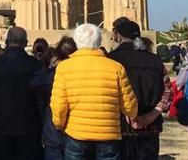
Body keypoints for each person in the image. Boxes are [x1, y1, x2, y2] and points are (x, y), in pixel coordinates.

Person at [51, 23, 138, 160]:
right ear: (99, 42)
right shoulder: (116, 68)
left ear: (76, 42)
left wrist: (60, 125)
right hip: (108, 136)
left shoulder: (64, 68)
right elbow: (130, 108)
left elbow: (59, 106)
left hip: (76, 135)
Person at [109, 20, 171, 160]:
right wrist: (150, 116)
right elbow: (168, 92)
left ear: (118, 35)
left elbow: (107, 93)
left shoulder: (111, 61)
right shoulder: (155, 61)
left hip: (120, 127)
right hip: (150, 128)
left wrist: (129, 115)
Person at [0, 27, 43, 160]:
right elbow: (41, 97)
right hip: (29, 126)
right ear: (25, 43)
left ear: (7, 42)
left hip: (3, 125)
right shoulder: (36, 65)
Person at [29, 36, 77, 160]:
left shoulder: (51, 76)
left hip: (55, 135)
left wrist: (48, 68)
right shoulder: (83, 72)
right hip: (79, 133)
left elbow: (33, 83)